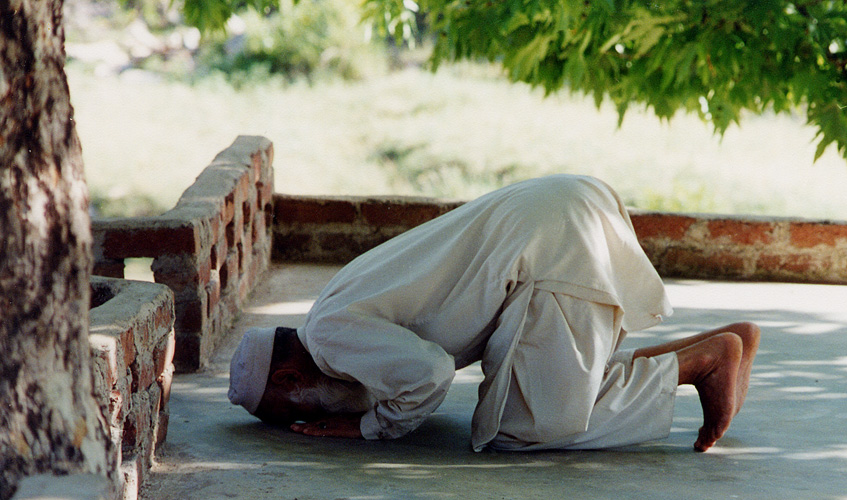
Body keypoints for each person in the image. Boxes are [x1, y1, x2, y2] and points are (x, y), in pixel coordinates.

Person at [229, 175, 760, 453]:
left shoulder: (327, 338)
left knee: (523, 428)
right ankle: (714, 347)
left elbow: (430, 373)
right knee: (562, 384)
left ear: (289, 376)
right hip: (563, 208)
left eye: (292, 412)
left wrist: (370, 427)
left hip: (547, 247)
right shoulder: (330, 306)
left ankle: (705, 364)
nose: (308, 419)